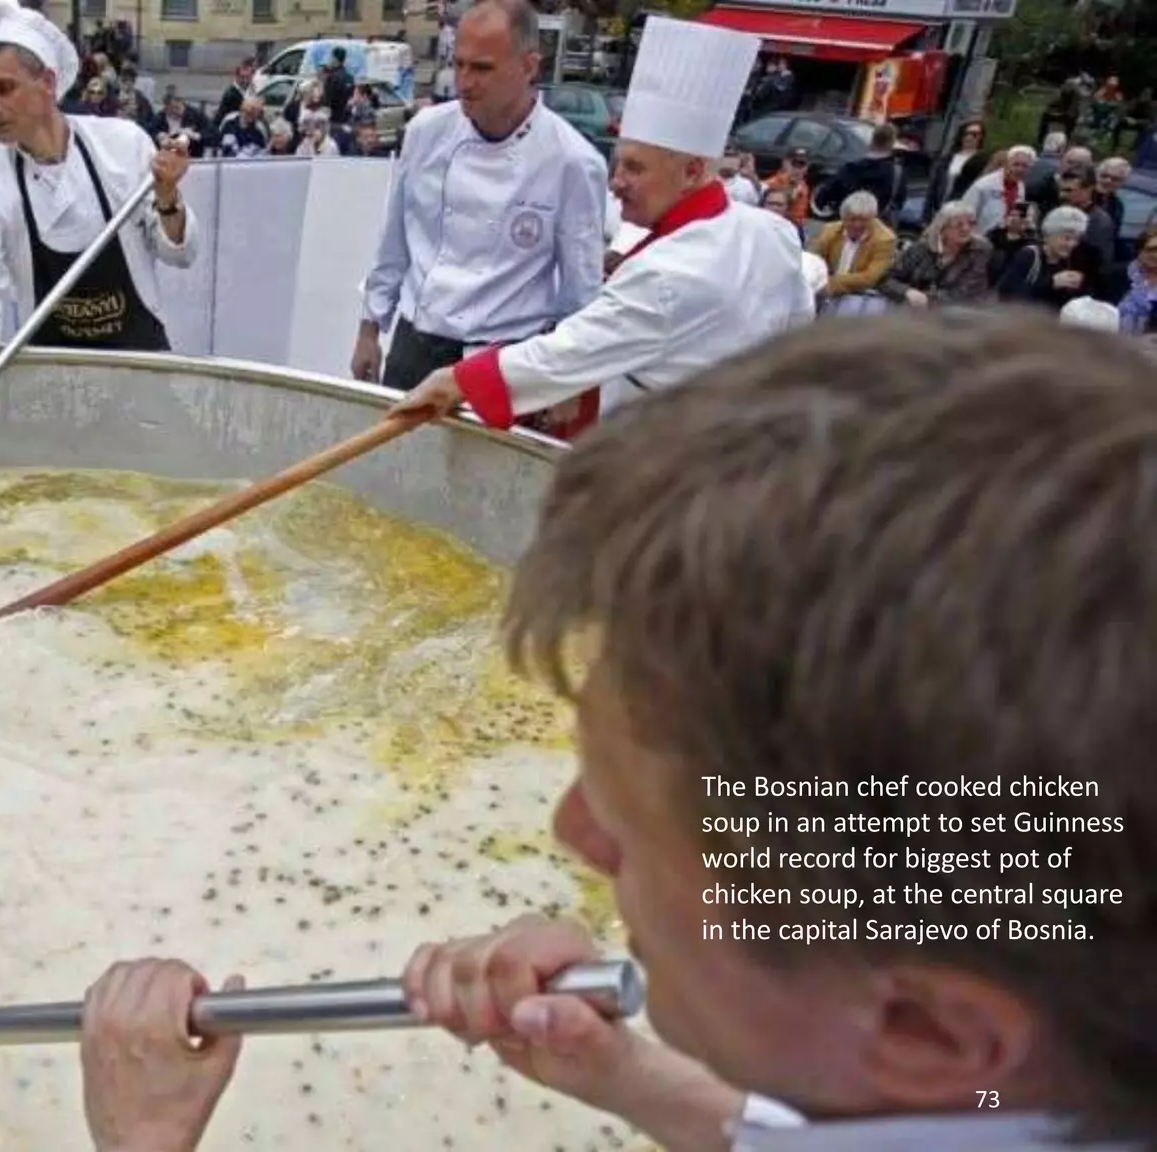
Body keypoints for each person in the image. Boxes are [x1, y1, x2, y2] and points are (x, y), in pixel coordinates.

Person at [74, 311, 1157, 1152]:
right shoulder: (1010, 1077)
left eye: (629, 831)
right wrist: (627, 1078)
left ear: (919, 1030)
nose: (568, 834)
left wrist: (145, 1139)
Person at [390, 17, 812, 438]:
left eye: (634, 168)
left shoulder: (668, 275)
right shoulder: (770, 232)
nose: (615, 183)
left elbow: (566, 353)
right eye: (617, 164)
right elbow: (796, 343)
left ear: (692, 171)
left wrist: (456, 382)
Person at [0, 0, 195, 428]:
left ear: (48, 82)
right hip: (54, 389)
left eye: (4, 89)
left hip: (143, 377)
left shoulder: (124, 144)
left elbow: (180, 254)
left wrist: (168, 197)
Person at [353, 0, 606, 400]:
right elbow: (394, 241)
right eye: (460, 65)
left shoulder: (572, 161)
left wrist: (569, 383)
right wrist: (370, 328)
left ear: (528, 66)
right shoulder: (426, 132)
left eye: (483, 68)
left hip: (503, 362)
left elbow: (580, 290)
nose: (465, 82)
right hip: (414, 346)